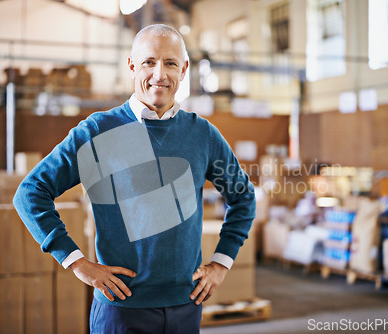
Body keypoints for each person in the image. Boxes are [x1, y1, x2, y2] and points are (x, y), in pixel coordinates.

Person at [13, 24, 256, 334]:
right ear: (131, 66)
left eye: (170, 63)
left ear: (183, 69)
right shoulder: (98, 131)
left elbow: (243, 197)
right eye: (149, 62)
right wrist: (77, 262)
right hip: (122, 312)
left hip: (186, 307)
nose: (159, 74)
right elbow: (30, 192)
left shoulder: (202, 135)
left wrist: (221, 263)